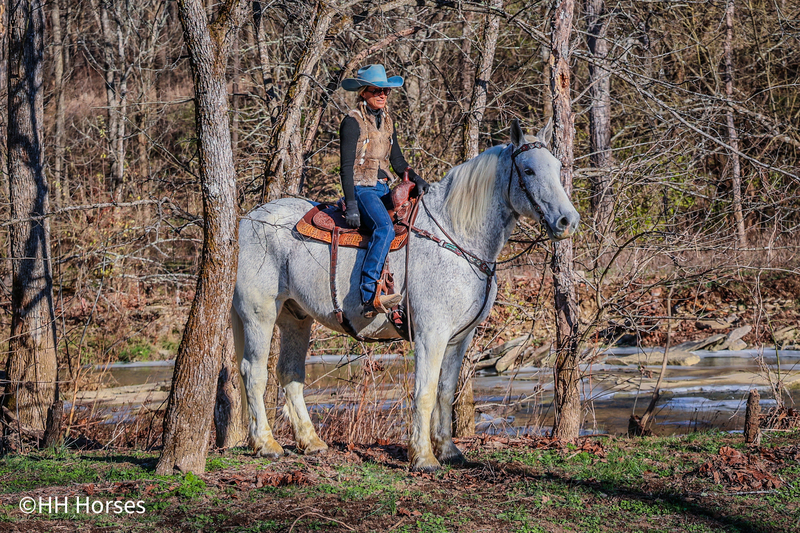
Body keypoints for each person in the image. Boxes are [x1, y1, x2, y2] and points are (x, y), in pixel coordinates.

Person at [339, 64, 430, 318]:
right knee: (384, 228)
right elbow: (345, 168)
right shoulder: (352, 122)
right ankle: (369, 294)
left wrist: (416, 178)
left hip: (382, 187)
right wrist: (352, 204)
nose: (383, 95)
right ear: (363, 92)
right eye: (377, 90)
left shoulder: (388, 121)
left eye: (386, 91)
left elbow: (397, 161)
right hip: (361, 188)